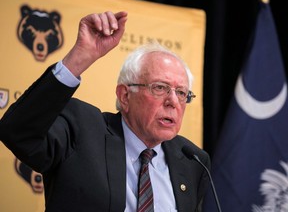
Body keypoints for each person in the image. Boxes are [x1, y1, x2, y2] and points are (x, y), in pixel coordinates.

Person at [0, 11, 210, 212]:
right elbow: (18, 132)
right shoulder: (81, 129)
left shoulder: (193, 160)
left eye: (182, 93)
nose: (173, 101)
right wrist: (79, 58)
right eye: (160, 88)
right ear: (125, 96)